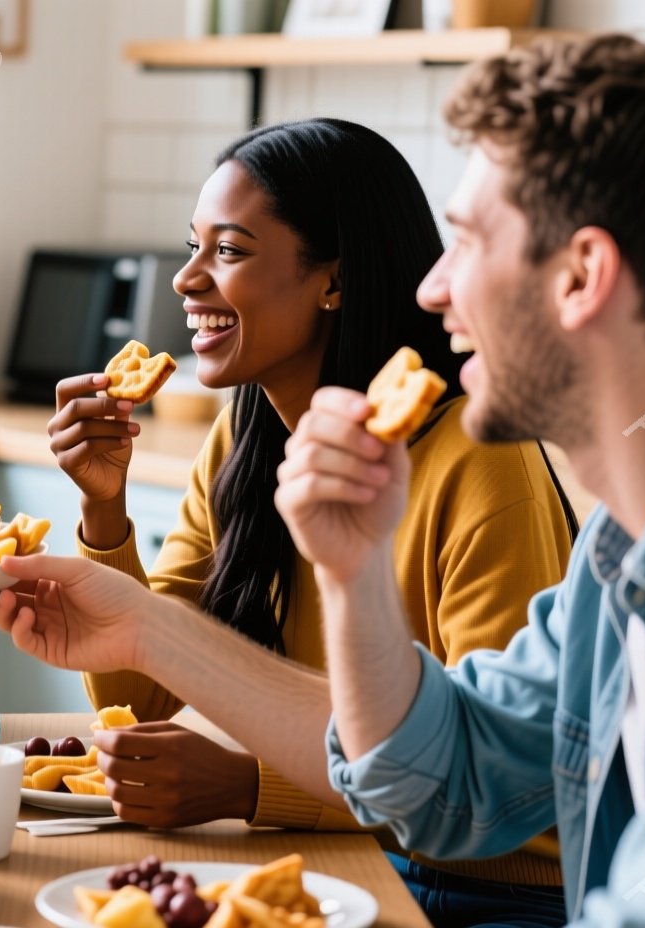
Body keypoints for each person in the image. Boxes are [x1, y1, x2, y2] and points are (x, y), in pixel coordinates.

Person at [0, 33, 645, 927]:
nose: (434, 288)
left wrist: (246, 779)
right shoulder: (624, 550)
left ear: (582, 276)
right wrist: (169, 619)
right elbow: (447, 775)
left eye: (469, 241)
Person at [41, 118, 576, 923]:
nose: (185, 279)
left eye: (229, 250)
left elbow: (490, 786)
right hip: (338, 857)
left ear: (334, 279)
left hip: (492, 891)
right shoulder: (245, 439)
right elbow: (146, 694)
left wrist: (252, 786)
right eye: (193, 246)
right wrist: (102, 509)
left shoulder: (479, 461)